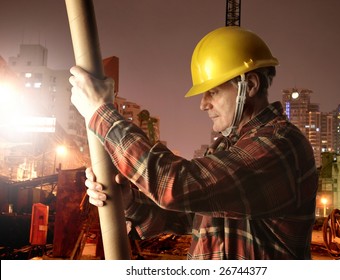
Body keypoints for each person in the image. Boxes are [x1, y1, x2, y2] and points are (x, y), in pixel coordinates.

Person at [69, 26, 318, 260]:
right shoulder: (225, 149)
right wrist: (131, 202)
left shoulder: (280, 147)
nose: (203, 104)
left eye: (214, 91)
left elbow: (174, 186)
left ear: (249, 85)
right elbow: (188, 217)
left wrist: (99, 112)